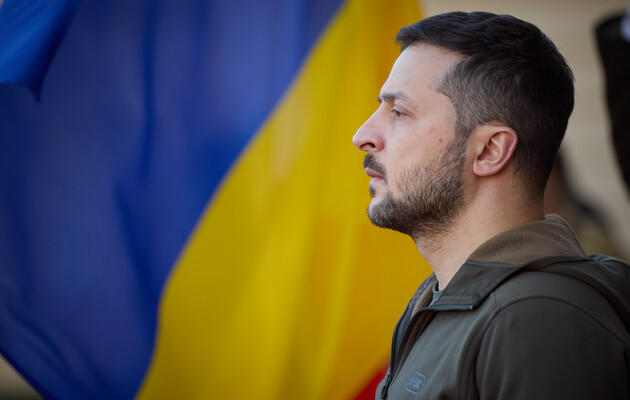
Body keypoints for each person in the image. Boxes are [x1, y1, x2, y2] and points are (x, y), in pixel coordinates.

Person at [352, 11, 630, 399]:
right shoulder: (446, 301)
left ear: (489, 151)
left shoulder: (539, 321)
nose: (362, 136)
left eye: (399, 112)